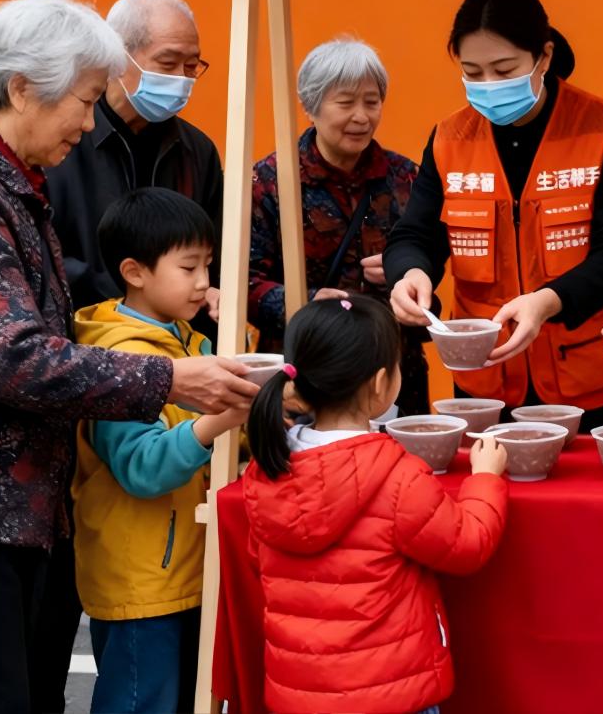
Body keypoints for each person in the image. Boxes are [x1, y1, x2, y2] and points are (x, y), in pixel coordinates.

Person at [0, 0, 256, 714]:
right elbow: (10, 355)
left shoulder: (22, 183)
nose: (87, 117)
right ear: (20, 87)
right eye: (82, 98)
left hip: (30, 510)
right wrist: (169, 375)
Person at [385, 0, 603, 431]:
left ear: (543, 57)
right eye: (473, 72)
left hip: (595, 382)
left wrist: (549, 301)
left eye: (504, 69)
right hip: (485, 386)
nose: (488, 85)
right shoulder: (450, 138)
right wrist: (411, 274)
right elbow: (416, 234)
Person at [244, 295, 508, 714]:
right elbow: (466, 544)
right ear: (380, 382)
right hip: (394, 694)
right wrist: (486, 480)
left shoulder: (265, 472)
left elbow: (259, 562)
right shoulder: (396, 474)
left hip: (300, 695)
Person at [71, 189, 249, 714]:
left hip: (186, 569)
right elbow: (142, 469)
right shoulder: (120, 358)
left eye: (207, 266)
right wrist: (219, 420)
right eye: (189, 266)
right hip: (140, 582)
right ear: (135, 271)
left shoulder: (189, 341)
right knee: (139, 702)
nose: (202, 281)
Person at [249, 38, 427, 414]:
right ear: (310, 106)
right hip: (306, 377)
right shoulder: (270, 181)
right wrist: (307, 302)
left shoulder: (407, 176)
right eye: (345, 103)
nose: (361, 116)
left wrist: (403, 270)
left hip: (391, 372)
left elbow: (430, 259)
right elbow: (244, 284)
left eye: (372, 101)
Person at [47, 0, 224, 319]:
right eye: (168, 63)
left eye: (191, 66)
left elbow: (217, 255)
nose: (182, 80)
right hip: (81, 337)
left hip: (179, 342)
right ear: (116, 58)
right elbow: (44, 256)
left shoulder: (198, 151)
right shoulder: (61, 141)